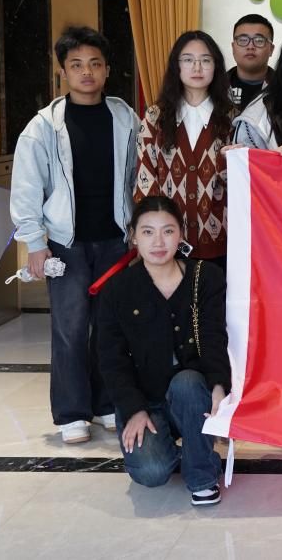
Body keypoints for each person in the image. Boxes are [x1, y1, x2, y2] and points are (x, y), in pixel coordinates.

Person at [10, 26, 139, 444]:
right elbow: (26, 188)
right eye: (77, 65)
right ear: (62, 72)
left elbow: (138, 176)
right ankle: (71, 412)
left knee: (110, 326)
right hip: (66, 244)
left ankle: (105, 403)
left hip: (115, 240)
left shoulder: (125, 117)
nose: (87, 72)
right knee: (70, 328)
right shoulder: (43, 127)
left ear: (107, 70)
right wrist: (35, 244)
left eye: (95, 64)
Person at [96, 196, 229, 507]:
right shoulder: (117, 290)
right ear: (133, 236)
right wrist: (133, 409)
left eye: (168, 231)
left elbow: (215, 338)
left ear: (181, 234)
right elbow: (112, 360)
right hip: (145, 399)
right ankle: (189, 448)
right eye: (148, 232)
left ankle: (202, 477)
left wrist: (219, 387)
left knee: (187, 383)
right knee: (151, 472)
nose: (158, 242)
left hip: (192, 395)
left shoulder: (206, 277)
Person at [134, 31, 235, 268]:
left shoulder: (232, 118)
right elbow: (146, 180)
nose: (197, 67)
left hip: (220, 241)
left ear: (216, 66)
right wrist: (149, 235)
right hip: (167, 244)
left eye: (206, 60)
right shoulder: (155, 117)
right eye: (188, 59)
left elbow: (239, 184)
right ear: (176, 66)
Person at [227, 13, 274, 112]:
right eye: (243, 40)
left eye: (259, 40)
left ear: (271, 49)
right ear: (233, 48)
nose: (250, 46)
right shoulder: (216, 87)